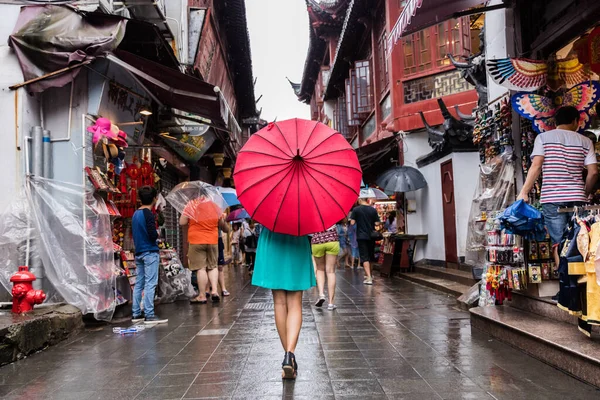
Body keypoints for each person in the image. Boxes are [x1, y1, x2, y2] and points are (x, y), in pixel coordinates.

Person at [518, 106, 598, 267]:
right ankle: (581, 285)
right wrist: (585, 192)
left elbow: (536, 165)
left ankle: (565, 285)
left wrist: (524, 192)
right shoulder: (585, 141)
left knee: (559, 242)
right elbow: (593, 172)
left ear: (555, 121)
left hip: (552, 199)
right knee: (580, 240)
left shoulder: (543, 138)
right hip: (577, 199)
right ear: (576, 121)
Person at [252, 228, 316, 379]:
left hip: (272, 239)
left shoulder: (267, 204)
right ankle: (290, 353)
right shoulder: (303, 203)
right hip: (297, 237)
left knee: (279, 303)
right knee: (295, 302)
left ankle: (288, 358)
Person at [131, 186, 167, 324]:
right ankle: (149, 314)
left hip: (139, 252)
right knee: (150, 283)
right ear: (154, 198)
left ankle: (136, 313)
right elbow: (152, 234)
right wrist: (157, 234)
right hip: (150, 252)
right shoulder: (148, 214)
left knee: (139, 283)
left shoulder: (135, 214)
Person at [180, 196, 222, 304]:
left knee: (201, 268)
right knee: (213, 266)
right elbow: (220, 222)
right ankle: (214, 291)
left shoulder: (192, 204)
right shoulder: (215, 206)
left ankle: (202, 295)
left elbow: (182, 222)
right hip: (212, 240)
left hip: (196, 240)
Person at [350, 198, 381, 285]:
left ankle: (369, 277)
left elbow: (352, 223)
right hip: (371, 236)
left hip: (361, 236)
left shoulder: (356, 210)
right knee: (371, 256)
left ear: (359, 200)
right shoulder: (373, 209)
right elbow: (377, 223)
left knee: (364, 256)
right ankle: (370, 275)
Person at [311, 226, 340, 310]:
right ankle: (331, 303)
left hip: (317, 240)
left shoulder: (312, 213)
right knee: (330, 271)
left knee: (320, 269)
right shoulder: (333, 212)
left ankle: (321, 294)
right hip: (332, 239)